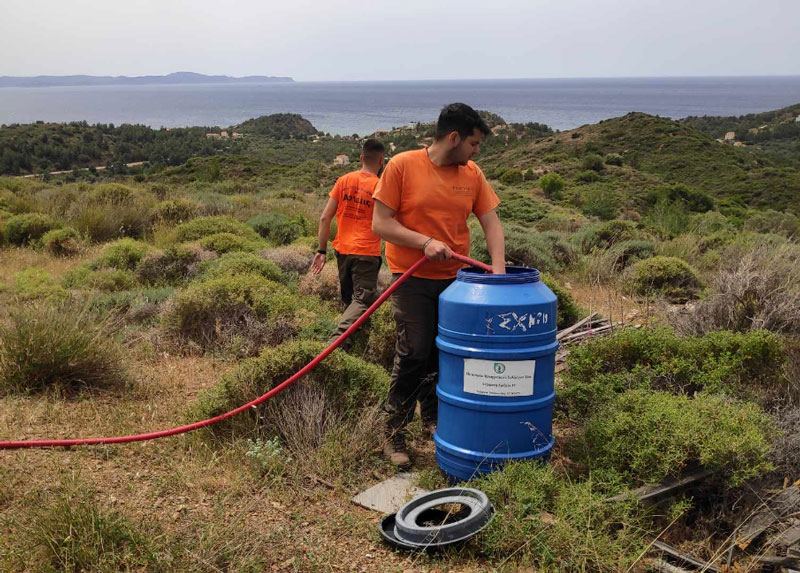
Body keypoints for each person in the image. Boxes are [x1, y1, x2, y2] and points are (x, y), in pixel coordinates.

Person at [372, 103, 506, 467]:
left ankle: (435, 420)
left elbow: (491, 223)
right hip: (411, 276)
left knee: (445, 353)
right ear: (453, 138)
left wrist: (498, 274)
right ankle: (393, 430)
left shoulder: (472, 173)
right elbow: (381, 224)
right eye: (474, 144)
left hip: (456, 281)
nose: (477, 152)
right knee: (414, 351)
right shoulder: (402, 166)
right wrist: (424, 243)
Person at [311, 139, 386, 348]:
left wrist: (321, 250)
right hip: (366, 253)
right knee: (362, 299)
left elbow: (325, 218)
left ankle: (352, 345)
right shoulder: (380, 187)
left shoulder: (343, 180)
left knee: (350, 299)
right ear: (382, 161)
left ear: (361, 158)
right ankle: (336, 343)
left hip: (342, 251)